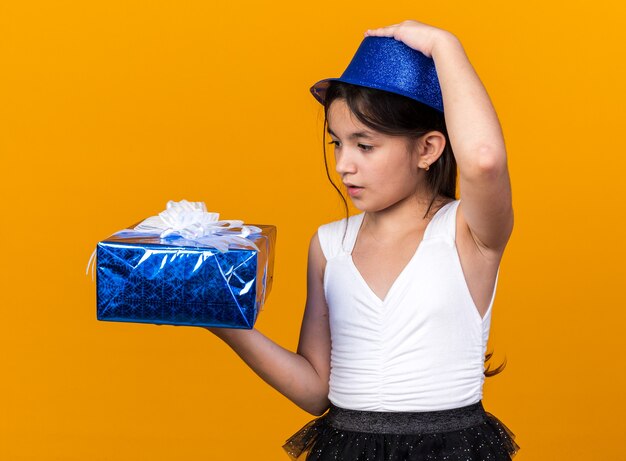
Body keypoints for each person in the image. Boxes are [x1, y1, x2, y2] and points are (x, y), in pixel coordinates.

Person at [207, 19, 521, 460]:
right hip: (346, 448)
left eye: (365, 146)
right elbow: (316, 390)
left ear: (428, 150)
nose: (343, 165)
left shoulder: (468, 233)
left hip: (450, 448)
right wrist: (220, 320)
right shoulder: (328, 245)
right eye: (337, 144)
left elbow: (484, 160)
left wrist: (442, 44)